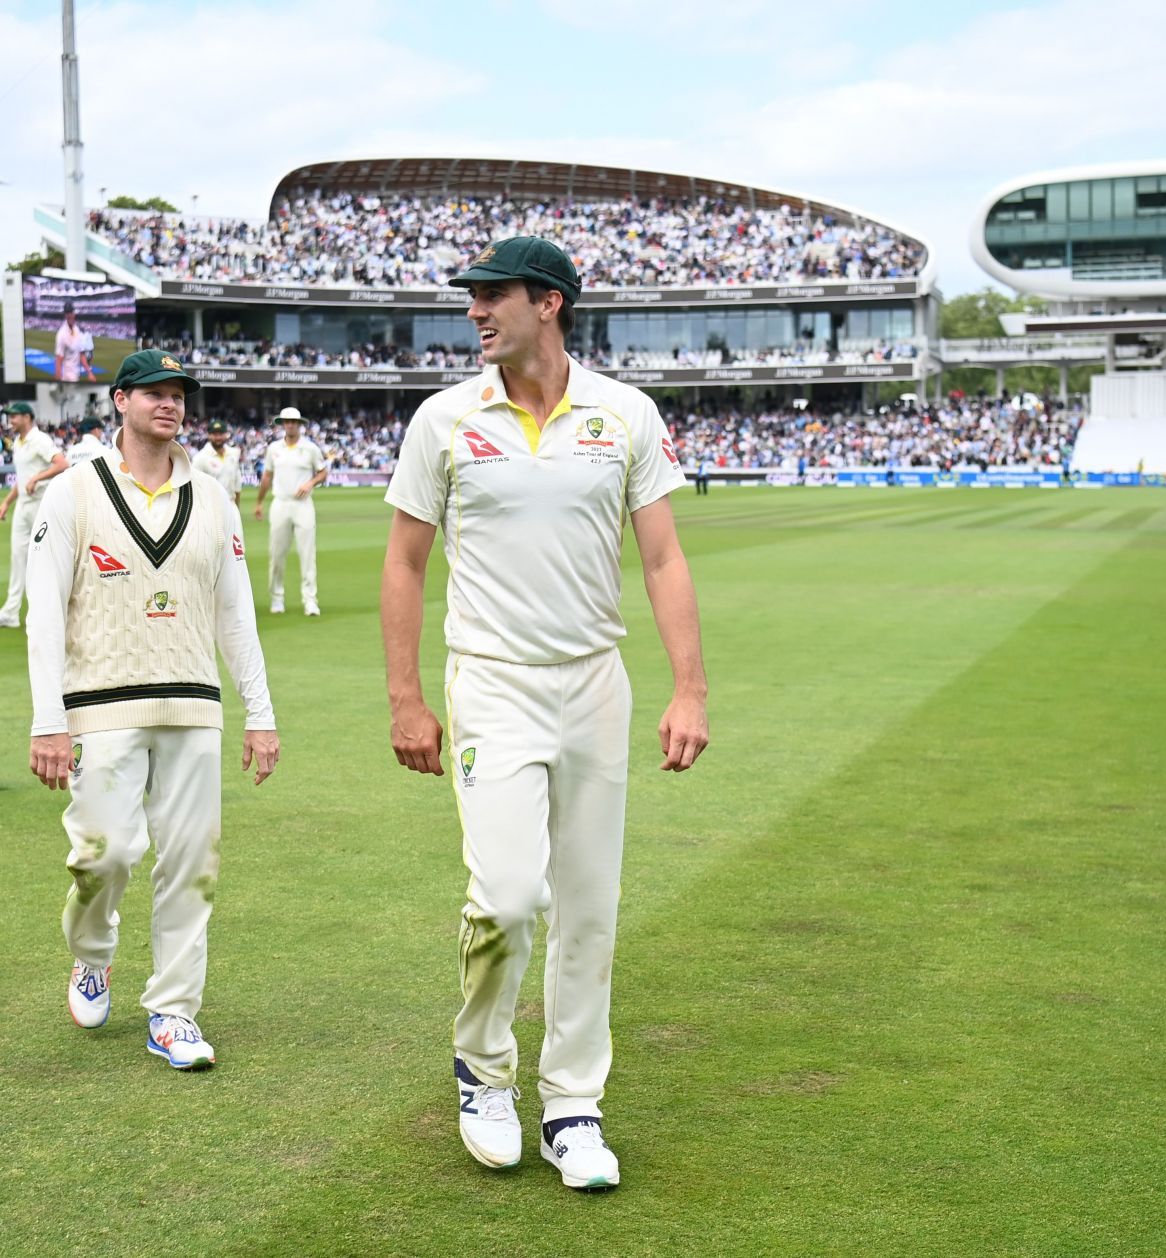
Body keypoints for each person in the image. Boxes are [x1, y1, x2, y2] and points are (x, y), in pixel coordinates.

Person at [381, 237, 710, 1191]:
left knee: (591, 908)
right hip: (491, 681)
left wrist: (689, 687)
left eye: (495, 297)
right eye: (473, 299)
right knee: (510, 896)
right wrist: (407, 699)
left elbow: (662, 560)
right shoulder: (444, 419)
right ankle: (483, 1073)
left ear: (551, 304)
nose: (477, 312)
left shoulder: (624, 414)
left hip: (595, 683)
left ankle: (573, 1105)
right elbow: (405, 563)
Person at [24, 349, 279, 1071]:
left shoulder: (216, 498)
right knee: (104, 856)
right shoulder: (73, 492)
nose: (169, 404)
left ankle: (173, 1012)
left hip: (194, 702)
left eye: (178, 395)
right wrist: (49, 719)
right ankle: (91, 953)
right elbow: (44, 614)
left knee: (193, 862)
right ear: (120, 402)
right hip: (100, 704)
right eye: (154, 394)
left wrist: (259, 712)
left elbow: (236, 613)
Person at [0, 402, 67, 629]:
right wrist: (6, 502)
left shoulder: (39, 440)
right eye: (10, 416)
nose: (11, 420)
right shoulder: (18, 443)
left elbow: (62, 464)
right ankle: (10, 613)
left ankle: (55, 613)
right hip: (23, 505)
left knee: (48, 559)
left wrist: (37, 478)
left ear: (28, 417)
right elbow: (22, 478)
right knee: (18, 559)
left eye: (15, 416)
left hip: (41, 504)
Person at [252, 406, 329, 616]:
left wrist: (310, 483)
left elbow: (323, 472)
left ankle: (310, 600)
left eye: (294, 422)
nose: (290, 425)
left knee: (307, 554)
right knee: (276, 554)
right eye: (287, 422)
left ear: (300, 425)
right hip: (280, 503)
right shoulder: (274, 448)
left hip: (303, 505)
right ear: (282, 425)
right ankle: (277, 598)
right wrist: (259, 502)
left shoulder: (310, 448)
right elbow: (267, 476)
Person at [191, 419, 244, 506]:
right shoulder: (200, 458)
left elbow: (237, 484)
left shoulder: (234, 453)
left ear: (226, 434)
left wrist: (237, 508)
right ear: (209, 435)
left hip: (231, 504)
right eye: (215, 434)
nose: (218, 438)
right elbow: (194, 487)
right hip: (211, 506)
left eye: (221, 434)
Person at [55, 305, 95, 382]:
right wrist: (58, 380)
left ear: (74, 314)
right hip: (66, 379)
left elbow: (81, 354)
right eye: (67, 313)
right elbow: (58, 359)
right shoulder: (62, 334)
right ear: (65, 315)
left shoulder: (76, 330)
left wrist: (89, 373)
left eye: (70, 312)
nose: (69, 315)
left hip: (76, 376)